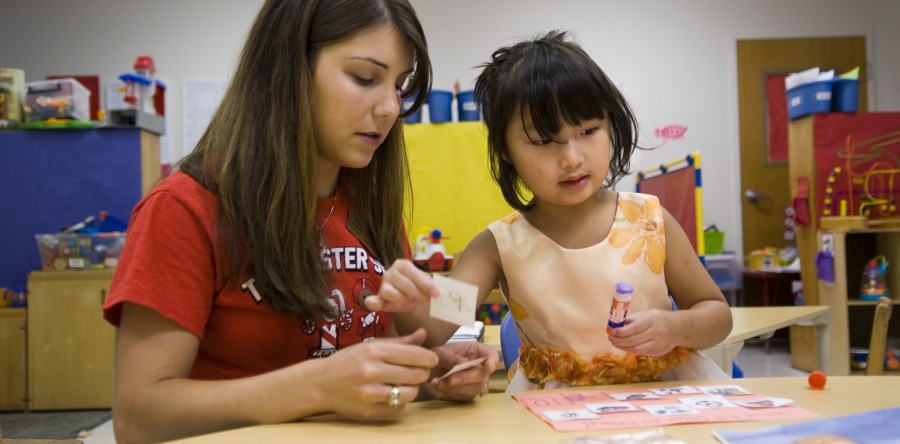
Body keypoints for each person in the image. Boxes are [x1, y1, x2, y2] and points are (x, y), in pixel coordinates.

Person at [101, 1, 497, 442]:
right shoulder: (183, 208)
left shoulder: (369, 201)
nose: (389, 108)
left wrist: (428, 375)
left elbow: (424, 331)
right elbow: (137, 418)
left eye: (399, 85)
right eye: (365, 78)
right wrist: (320, 385)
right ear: (286, 69)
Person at [371, 30, 732, 393]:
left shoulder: (650, 221)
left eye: (589, 130)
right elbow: (436, 331)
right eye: (543, 141)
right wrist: (406, 303)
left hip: (659, 398)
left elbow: (716, 314)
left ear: (610, 123)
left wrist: (676, 329)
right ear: (507, 152)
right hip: (551, 411)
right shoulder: (497, 246)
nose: (572, 158)